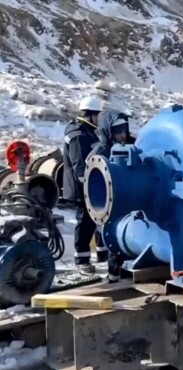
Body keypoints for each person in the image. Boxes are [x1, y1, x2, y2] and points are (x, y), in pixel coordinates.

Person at [62, 96, 108, 273]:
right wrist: (87, 184)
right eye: (97, 115)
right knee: (86, 220)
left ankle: (102, 252)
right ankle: (81, 259)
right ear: (89, 115)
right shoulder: (78, 134)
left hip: (90, 183)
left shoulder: (87, 130)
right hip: (81, 186)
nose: (99, 119)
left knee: (97, 218)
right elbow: (79, 164)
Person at [88, 109, 132, 282]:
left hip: (127, 198)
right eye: (118, 132)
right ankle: (114, 274)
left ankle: (124, 272)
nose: (123, 135)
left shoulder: (129, 146)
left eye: (124, 131)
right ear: (108, 131)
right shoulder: (100, 150)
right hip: (109, 202)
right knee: (113, 237)